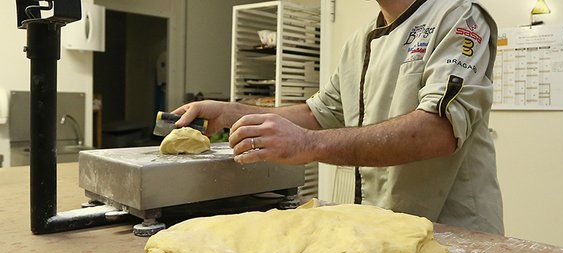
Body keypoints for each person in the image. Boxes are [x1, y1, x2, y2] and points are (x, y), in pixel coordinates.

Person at [174, 0, 504, 234]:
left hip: (453, 232)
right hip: (383, 228)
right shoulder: (359, 42)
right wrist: (231, 113)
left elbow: (438, 131)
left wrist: (307, 145)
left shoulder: (459, 16)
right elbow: (318, 113)